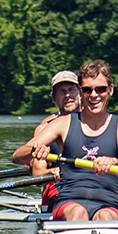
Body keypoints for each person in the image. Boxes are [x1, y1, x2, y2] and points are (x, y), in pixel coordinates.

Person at [12, 60, 118, 221]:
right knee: (78, 212)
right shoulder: (62, 124)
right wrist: (35, 151)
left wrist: (114, 162)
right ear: (81, 93)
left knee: (106, 217)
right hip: (69, 204)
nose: (94, 95)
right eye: (88, 90)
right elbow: (17, 156)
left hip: (107, 205)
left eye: (100, 89)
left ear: (111, 90)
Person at [31, 70, 82, 213]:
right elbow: (37, 173)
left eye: (72, 90)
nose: (67, 95)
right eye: (61, 91)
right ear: (54, 99)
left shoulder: (97, 123)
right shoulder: (45, 129)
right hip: (60, 190)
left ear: (81, 93)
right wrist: (51, 172)